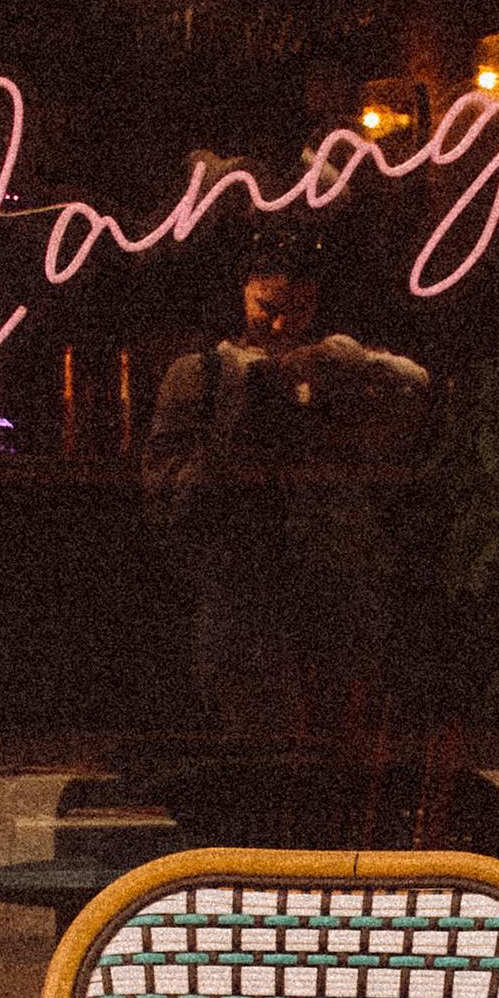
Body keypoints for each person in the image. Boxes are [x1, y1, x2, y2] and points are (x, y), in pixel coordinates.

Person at [143, 226, 429, 745]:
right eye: (266, 306)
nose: (279, 323)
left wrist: (350, 366)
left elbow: (411, 406)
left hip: (337, 584)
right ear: (241, 292)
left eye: (297, 310)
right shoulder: (201, 375)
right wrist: (238, 435)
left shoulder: (334, 368)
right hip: (240, 591)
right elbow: (165, 496)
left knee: (340, 746)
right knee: (253, 743)